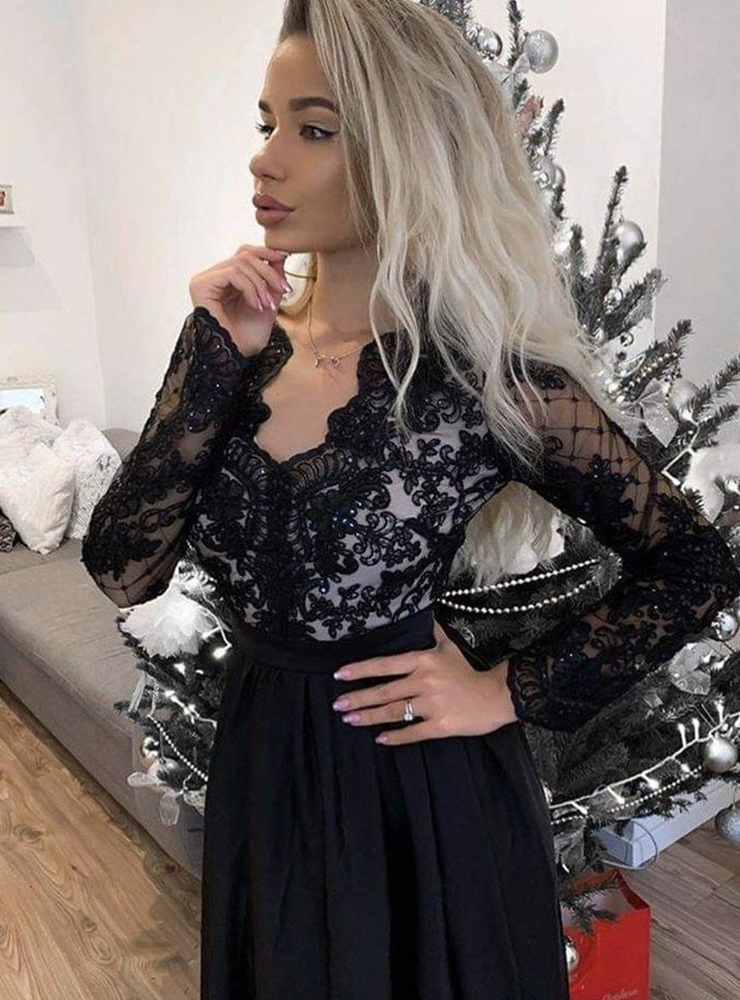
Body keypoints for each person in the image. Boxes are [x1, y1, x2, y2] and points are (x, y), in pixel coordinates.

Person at [80, 2, 740, 998]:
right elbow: (122, 569)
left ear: (407, 152)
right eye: (267, 122)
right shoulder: (235, 345)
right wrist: (212, 358)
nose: (265, 159)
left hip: (414, 783)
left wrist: (506, 690)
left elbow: (694, 561)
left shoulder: (485, 379)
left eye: (314, 129)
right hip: (262, 759)